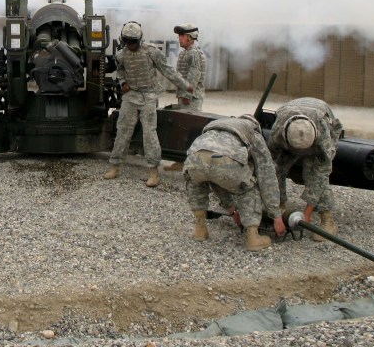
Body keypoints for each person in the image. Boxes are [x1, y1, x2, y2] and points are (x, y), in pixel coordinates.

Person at [103, 21, 190, 188]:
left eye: (133, 42)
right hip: (131, 95)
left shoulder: (151, 52)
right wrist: (122, 83)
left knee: (149, 134)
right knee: (123, 131)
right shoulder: (122, 55)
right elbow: (120, 70)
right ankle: (115, 166)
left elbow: (168, 70)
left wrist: (185, 85)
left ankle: (153, 172)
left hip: (149, 95)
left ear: (139, 39)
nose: (130, 45)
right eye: (127, 41)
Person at [183, 114, 286, 251]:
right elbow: (266, 175)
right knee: (248, 186)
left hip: (195, 156)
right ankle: (253, 237)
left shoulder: (218, 125)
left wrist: (231, 210)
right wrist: (276, 216)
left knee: (196, 180)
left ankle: (200, 229)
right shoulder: (253, 132)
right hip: (225, 159)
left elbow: (214, 177)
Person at [268, 97, 343, 241]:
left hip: (320, 117)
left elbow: (321, 174)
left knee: (313, 172)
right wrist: (277, 212)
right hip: (289, 119)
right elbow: (269, 166)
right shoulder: (277, 131)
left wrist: (307, 214)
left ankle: (327, 218)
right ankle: (281, 206)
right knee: (275, 170)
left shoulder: (322, 134)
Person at [173, 23, 206, 111]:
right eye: (179, 35)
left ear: (190, 37)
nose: (180, 38)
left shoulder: (193, 53)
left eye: (182, 35)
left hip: (191, 99)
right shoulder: (185, 52)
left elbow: (194, 75)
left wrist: (187, 95)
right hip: (185, 96)